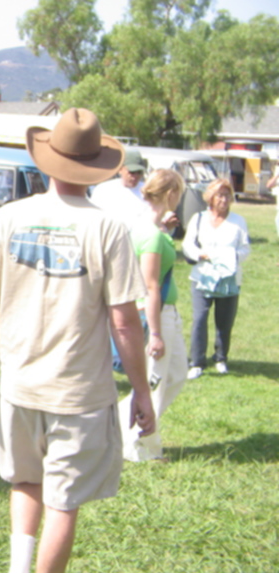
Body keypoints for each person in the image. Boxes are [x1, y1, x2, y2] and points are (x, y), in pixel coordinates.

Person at [0, 108, 155, 573]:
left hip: (20, 387)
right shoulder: (108, 228)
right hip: (80, 394)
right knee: (63, 504)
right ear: (95, 166)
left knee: (25, 482)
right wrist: (143, 393)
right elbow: (125, 320)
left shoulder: (10, 216)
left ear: (47, 161)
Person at [117, 169, 188, 462]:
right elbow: (150, 287)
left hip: (163, 312)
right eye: (179, 193)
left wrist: (166, 231)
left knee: (175, 374)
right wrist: (156, 335)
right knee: (155, 381)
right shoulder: (151, 235)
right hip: (155, 315)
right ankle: (140, 445)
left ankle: (122, 428)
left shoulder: (150, 229)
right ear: (170, 194)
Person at [182, 178, 250, 379]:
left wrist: (232, 257)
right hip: (202, 277)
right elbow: (188, 245)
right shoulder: (199, 218)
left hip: (228, 278)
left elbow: (245, 247)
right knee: (200, 318)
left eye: (228, 195)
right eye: (220, 195)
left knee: (224, 321)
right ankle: (197, 361)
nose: (224, 199)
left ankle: (221, 358)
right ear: (210, 198)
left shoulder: (238, 221)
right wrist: (200, 255)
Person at [89, 148, 149, 231]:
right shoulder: (103, 190)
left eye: (139, 172)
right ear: (120, 169)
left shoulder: (148, 191)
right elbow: (93, 218)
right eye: (131, 172)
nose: (135, 176)